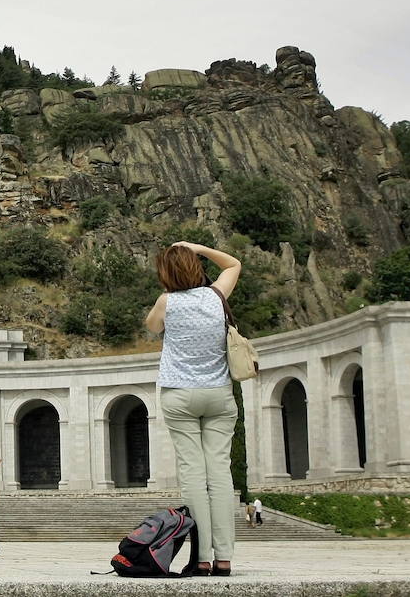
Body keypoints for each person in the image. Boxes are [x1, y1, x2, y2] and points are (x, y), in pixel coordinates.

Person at [145, 240, 242, 577]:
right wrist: (196, 247)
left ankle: (200, 557)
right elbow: (233, 264)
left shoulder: (166, 302)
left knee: (192, 474)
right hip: (218, 394)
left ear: (165, 274)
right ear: (197, 267)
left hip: (180, 395)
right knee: (219, 472)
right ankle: (225, 557)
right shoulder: (217, 296)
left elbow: (152, 326)